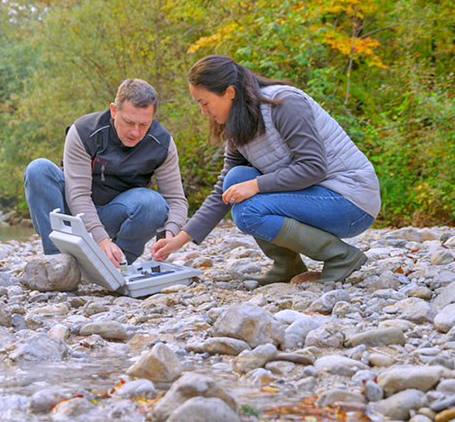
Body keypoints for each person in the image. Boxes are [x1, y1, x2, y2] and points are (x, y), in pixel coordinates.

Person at [152, 55, 380, 284]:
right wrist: (179, 240)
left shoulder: (284, 104)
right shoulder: (239, 126)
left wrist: (256, 185)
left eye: (204, 103)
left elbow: (313, 167)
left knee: (247, 210)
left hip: (351, 201)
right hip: (316, 196)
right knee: (235, 179)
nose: (203, 112)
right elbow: (224, 190)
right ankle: (288, 265)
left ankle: (341, 257)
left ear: (229, 92)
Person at [24, 78, 188, 267]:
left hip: (116, 212)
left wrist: (171, 234)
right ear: (113, 111)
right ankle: (58, 263)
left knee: (154, 204)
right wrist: (101, 239)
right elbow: (78, 195)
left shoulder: (162, 143)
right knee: (38, 169)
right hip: (73, 212)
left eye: (144, 125)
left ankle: (116, 263)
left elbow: (176, 199)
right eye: (128, 122)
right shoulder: (84, 131)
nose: (135, 132)